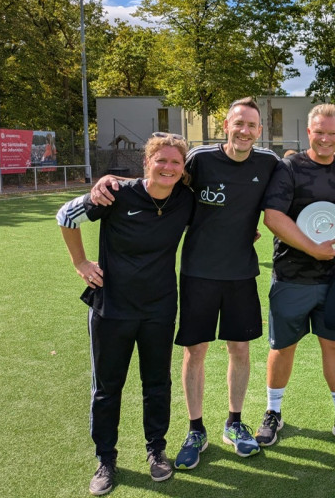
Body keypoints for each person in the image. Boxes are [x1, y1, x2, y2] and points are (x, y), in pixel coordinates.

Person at [90, 99, 280, 469]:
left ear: (260, 130)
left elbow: (299, 176)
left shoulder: (268, 162)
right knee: (196, 351)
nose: (244, 131)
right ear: (226, 125)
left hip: (241, 273)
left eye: (251, 125)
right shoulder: (200, 158)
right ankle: (195, 429)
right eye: (238, 123)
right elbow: (162, 175)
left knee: (240, 349)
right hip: (197, 273)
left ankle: (234, 423)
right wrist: (110, 181)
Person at [57, 133, 194, 496]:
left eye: (175, 162)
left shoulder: (185, 200)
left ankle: (157, 451)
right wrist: (80, 263)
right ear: (147, 162)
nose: (168, 167)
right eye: (161, 160)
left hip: (159, 308)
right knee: (107, 388)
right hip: (112, 308)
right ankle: (106, 459)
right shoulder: (116, 193)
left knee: (157, 383)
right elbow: (66, 215)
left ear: (183, 169)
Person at [256, 103, 335, 451]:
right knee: (283, 348)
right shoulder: (289, 168)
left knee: (334, 346)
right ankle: (273, 413)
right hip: (291, 277)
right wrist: (312, 248)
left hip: (334, 279)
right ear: (309, 132)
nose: (325, 138)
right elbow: (273, 217)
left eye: (332, 133)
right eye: (319, 132)